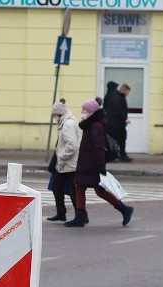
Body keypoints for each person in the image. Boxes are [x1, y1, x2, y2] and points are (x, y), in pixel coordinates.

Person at [64, 99, 134, 228]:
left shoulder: (96, 126)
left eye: (84, 110)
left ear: (90, 112)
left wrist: (101, 166)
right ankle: (81, 216)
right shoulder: (90, 124)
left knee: (97, 190)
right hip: (87, 163)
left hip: (91, 164)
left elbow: (99, 147)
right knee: (80, 187)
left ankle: (124, 209)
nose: (82, 112)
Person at [46, 100, 81, 222]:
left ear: (59, 114)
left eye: (54, 115)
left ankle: (80, 215)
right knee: (57, 186)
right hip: (66, 162)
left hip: (69, 162)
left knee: (72, 190)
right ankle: (62, 213)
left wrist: (61, 156)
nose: (54, 118)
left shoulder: (68, 125)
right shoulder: (65, 123)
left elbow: (71, 145)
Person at [103, 81, 132, 162]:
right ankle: (120, 156)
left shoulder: (111, 96)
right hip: (116, 124)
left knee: (115, 141)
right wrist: (124, 118)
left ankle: (118, 156)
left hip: (113, 123)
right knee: (119, 140)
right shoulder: (117, 97)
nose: (128, 94)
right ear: (125, 90)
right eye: (128, 92)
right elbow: (118, 110)